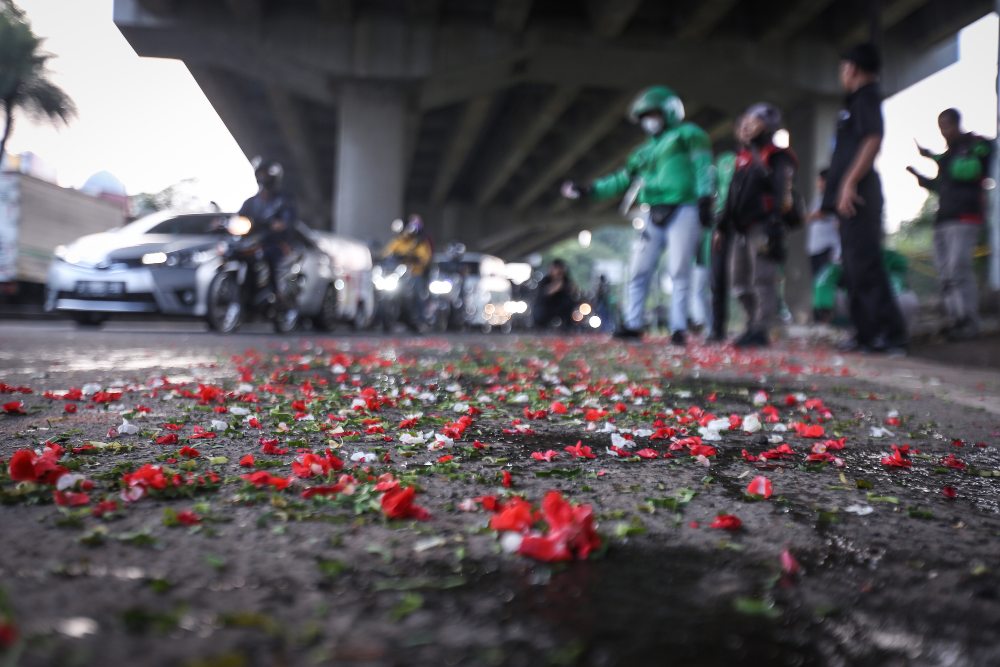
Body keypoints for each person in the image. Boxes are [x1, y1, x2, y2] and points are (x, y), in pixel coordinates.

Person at [560, 85, 714, 345]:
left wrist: (705, 196)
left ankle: (678, 328)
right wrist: (590, 189)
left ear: (668, 111)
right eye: (644, 117)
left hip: (684, 207)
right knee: (639, 270)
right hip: (652, 210)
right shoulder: (642, 152)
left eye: (652, 114)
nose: (648, 121)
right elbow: (622, 180)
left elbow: (702, 165)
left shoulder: (689, 135)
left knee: (679, 270)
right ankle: (633, 324)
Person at [822, 43, 907, 354]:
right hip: (850, 194)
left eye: (842, 66)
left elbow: (873, 138)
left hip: (860, 193)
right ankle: (866, 333)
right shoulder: (854, 102)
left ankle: (891, 334)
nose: (841, 73)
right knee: (853, 267)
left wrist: (848, 182)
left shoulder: (867, 97)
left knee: (867, 265)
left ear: (852, 68)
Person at [907, 108, 993, 339]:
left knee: (958, 268)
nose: (943, 132)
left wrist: (936, 158)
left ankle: (969, 322)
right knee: (945, 273)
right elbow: (941, 185)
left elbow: (968, 171)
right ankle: (955, 320)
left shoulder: (973, 145)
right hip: (943, 219)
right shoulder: (948, 156)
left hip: (965, 218)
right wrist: (920, 178)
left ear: (956, 124)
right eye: (940, 127)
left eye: (946, 126)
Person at [717, 103, 798, 348]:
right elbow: (732, 195)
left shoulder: (776, 155)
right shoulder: (741, 158)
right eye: (744, 121)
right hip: (740, 229)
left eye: (753, 121)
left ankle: (762, 329)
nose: (745, 125)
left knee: (763, 278)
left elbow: (781, 191)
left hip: (763, 226)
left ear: (767, 125)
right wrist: (722, 227)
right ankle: (753, 323)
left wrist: (774, 225)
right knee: (739, 281)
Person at [238, 157, 298, 304]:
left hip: (275, 243)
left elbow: (288, 220)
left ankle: (277, 295)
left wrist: (280, 224)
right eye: (260, 174)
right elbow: (239, 218)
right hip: (252, 243)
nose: (262, 177)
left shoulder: (284, 200)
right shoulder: (250, 202)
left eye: (265, 174)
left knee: (270, 256)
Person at [707, 148, 737, 343]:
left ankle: (756, 326)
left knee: (751, 279)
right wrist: (719, 224)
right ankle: (718, 328)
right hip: (723, 223)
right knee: (718, 279)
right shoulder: (720, 164)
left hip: (748, 223)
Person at [807, 169, 841, 322]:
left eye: (821, 181)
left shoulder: (834, 198)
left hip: (828, 248)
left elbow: (820, 215)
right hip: (814, 249)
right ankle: (819, 317)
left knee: (826, 283)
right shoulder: (818, 199)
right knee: (817, 283)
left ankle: (829, 317)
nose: (819, 184)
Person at [533, 258, 576, 328]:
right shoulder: (546, 280)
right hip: (547, 306)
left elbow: (573, 291)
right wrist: (558, 282)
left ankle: (568, 327)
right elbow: (546, 292)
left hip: (561, 307)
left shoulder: (566, 280)